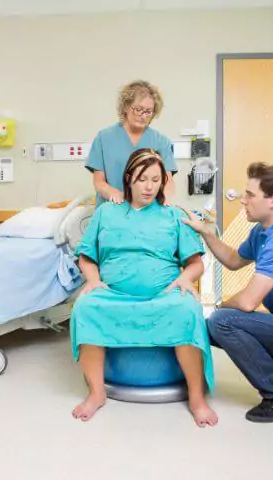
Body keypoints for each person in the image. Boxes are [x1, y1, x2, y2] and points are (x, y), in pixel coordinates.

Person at [70, 148, 218, 427]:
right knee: (86, 308)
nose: (149, 186)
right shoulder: (106, 214)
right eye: (142, 179)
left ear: (163, 182)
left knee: (187, 310)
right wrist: (92, 280)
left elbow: (196, 263)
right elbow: (86, 256)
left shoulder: (172, 216)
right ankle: (97, 393)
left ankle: (196, 398)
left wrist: (186, 279)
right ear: (129, 179)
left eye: (155, 179)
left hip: (163, 295)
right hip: (113, 295)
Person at [181, 162, 273, 423]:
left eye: (250, 195)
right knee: (212, 327)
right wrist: (206, 232)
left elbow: (249, 301)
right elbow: (232, 259)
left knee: (221, 322)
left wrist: (219, 309)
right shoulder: (263, 231)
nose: (243, 200)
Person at [86, 80, 177, 207]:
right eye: (138, 109)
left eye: (148, 111)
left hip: (148, 212)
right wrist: (114, 194)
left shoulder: (161, 141)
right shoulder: (104, 138)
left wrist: (167, 202)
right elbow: (99, 182)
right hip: (113, 209)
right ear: (126, 107)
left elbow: (168, 182)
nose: (143, 115)